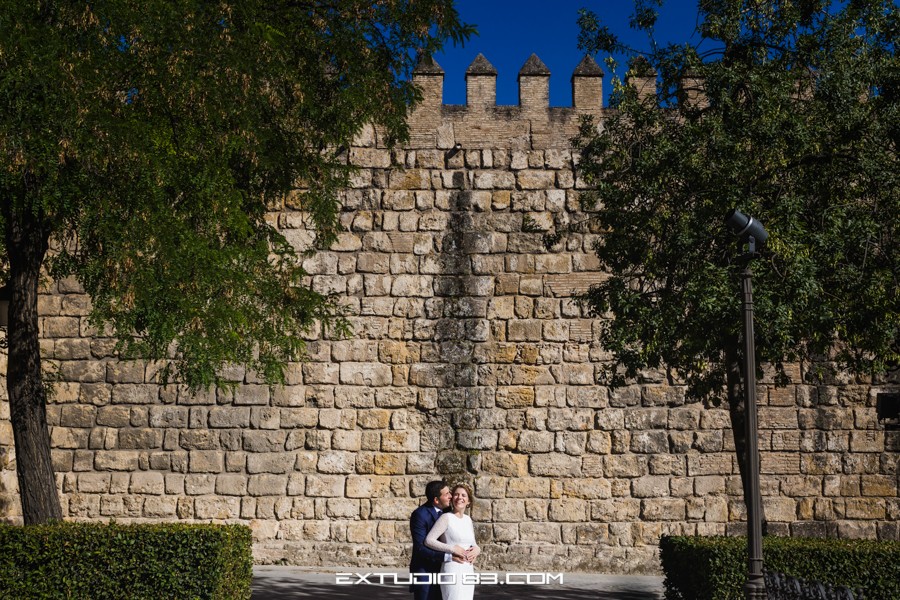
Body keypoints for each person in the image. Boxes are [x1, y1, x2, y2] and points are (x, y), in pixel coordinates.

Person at [424, 483, 480, 600]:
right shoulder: (446, 518)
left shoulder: (468, 520)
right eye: (456, 494)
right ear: (452, 498)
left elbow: (473, 543)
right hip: (452, 569)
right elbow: (429, 540)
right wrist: (452, 548)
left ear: (468, 501)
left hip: (468, 570)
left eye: (463, 495)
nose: (459, 497)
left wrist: (477, 550)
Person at [409, 480, 453, 600]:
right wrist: (447, 556)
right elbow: (420, 548)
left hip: (447, 569)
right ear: (436, 500)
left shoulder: (449, 511)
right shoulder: (420, 515)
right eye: (447, 494)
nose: (451, 496)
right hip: (426, 570)